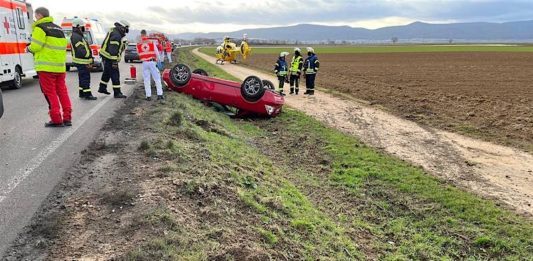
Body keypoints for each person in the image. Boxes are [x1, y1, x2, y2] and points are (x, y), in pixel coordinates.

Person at [29, 7, 71, 127]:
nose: (35, 18)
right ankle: (67, 118)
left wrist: (28, 48)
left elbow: (36, 47)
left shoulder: (40, 28)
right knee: (63, 92)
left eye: (35, 15)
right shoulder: (59, 29)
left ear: (39, 15)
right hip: (60, 67)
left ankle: (56, 119)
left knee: (50, 93)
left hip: (46, 68)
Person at [98, 20, 130, 98]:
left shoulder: (114, 31)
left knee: (107, 72)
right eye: (126, 29)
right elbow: (113, 50)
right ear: (122, 27)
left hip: (106, 56)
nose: (126, 31)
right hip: (110, 57)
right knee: (115, 74)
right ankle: (117, 92)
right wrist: (114, 62)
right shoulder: (116, 35)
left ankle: (102, 88)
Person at [70, 18, 97, 100]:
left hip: (81, 61)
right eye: (82, 26)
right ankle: (87, 94)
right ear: (78, 27)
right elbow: (82, 50)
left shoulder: (77, 35)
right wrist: (89, 57)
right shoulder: (76, 36)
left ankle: (82, 93)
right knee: (85, 78)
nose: (83, 28)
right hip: (82, 61)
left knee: (82, 78)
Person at [137, 30, 164, 101]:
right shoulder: (151, 42)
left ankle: (148, 96)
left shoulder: (138, 44)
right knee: (157, 78)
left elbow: (138, 54)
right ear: (146, 34)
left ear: (141, 35)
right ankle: (160, 95)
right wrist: (159, 61)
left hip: (144, 63)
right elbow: (157, 53)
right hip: (152, 62)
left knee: (146, 80)